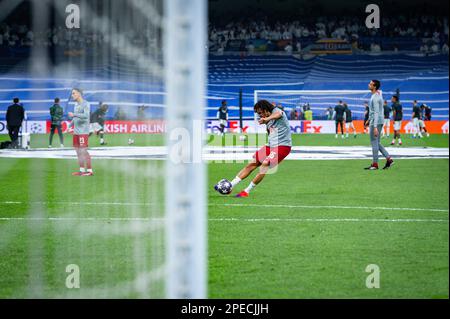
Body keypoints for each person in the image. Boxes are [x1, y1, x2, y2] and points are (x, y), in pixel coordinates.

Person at [215, 100, 292, 198]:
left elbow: (279, 114)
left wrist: (267, 119)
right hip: (271, 145)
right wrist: (266, 121)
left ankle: (246, 191)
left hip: (283, 146)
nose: (259, 115)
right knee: (252, 163)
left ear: (265, 109)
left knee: (265, 164)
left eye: (260, 112)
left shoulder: (276, 111)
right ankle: (230, 185)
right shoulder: (266, 120)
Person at [365, 80, 394, 170]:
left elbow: (377, 112)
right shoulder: (376, 96)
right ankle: (389, 159)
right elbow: (374, 111)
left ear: (374, 86)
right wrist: (369, 119)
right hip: (376, 121)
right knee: (377, 142)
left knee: (374, 142)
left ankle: (375, 164)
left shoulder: (376, 97)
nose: (368, 84)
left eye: (370, 84)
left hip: (376, 122)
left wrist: (374, 127)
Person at [68, 88, 93, 176]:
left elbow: (86, 116)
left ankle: (90, 171)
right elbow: (75, 118)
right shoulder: (76, 105)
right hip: (76, 132)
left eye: (74, 93)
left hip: (83, 131)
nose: (72, 95)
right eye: (72, 93)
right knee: (78, 151)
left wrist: (74, 114)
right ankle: (81, 170)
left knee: (83, 151)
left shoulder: (86, 104)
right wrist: (69, 126)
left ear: (79, 94)